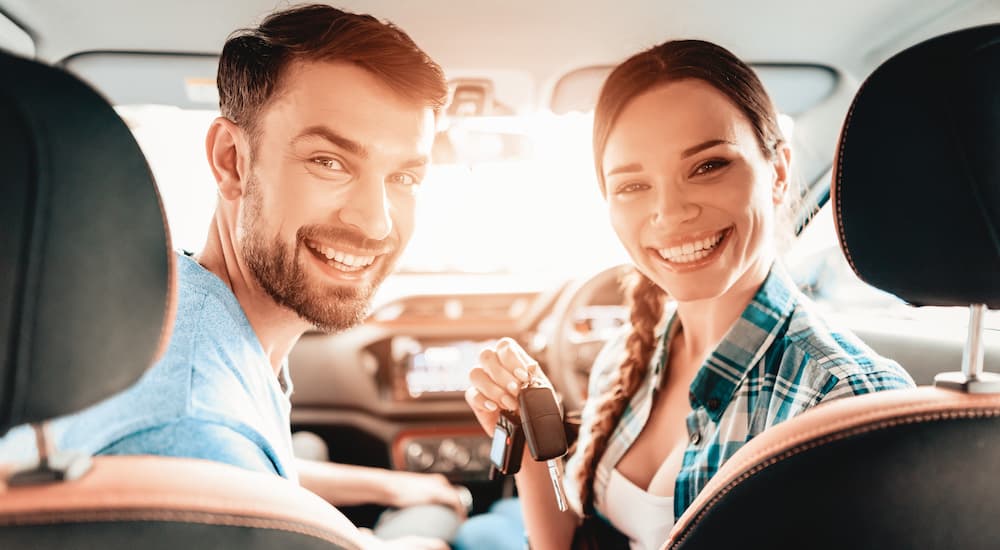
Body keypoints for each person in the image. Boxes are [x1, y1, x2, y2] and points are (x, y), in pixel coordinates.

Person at [0, 5, 461, 549]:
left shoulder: (182, 299)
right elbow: (202, 455)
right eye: (329, 162)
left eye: (404, 175)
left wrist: (387, 486)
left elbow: (237, 478)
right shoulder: (191, 429)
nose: (377, 221)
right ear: (231, 161)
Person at [458, 39, 915, 550]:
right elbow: (568, 541)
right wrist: (527, 448)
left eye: (708, 166)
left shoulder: (845, 400)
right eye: (634, 186)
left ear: (779, 174)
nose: (671, 213)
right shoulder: (625, 358)